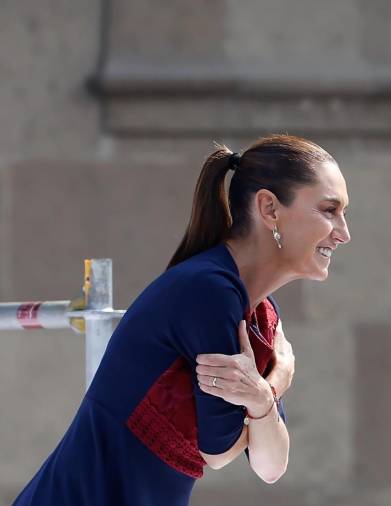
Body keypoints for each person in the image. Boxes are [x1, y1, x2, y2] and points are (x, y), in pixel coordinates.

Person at [12, 134, 351, 505]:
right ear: (269, 208)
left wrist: (262, 398)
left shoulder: (261, 315)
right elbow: (218, 452)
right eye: (329, 210)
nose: (344, 233)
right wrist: (277, 382)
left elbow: (271, 467)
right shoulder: (208, 290)